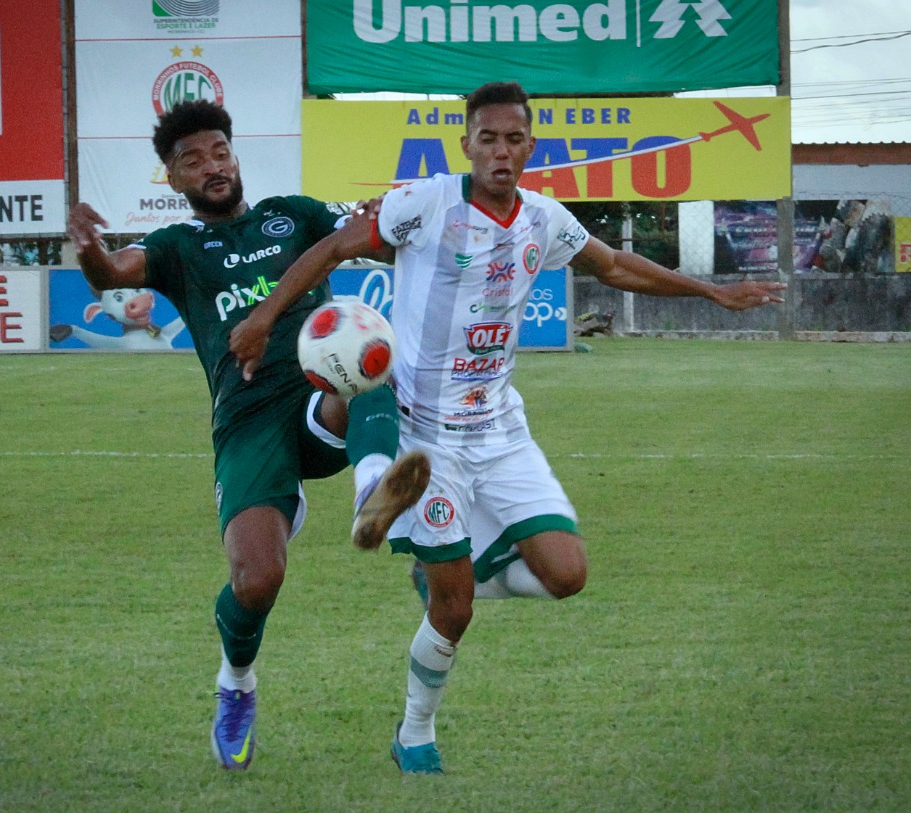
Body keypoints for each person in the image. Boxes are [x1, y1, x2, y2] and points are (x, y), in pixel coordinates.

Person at [228, 81, 786, 775]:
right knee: (453, 613)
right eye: (486, 138)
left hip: (500, 430)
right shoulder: (425, 203)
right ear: (465, 144)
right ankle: (414, 733)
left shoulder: (546, 220)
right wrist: (265, 316)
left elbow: (613, 265)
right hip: (425, 437)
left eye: (513, 139)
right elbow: (335, 249)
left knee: (567, 574)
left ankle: (461, 564)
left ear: (530, 147)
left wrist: (710, 289)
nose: (500, 150)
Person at [65, 100, 431, 772]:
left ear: (236, 158)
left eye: (218, 152)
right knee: (257, 580)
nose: (211, 166)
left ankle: (373, 488)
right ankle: (236, 684)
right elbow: (115, 276)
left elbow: (366, 236)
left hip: (319, 394)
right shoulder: (178, 248)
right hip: (246, 420)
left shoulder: (295, 215)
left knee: (369, 359)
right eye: (191, 161)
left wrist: (387, 214)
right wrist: (88, 249)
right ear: (173, 181)